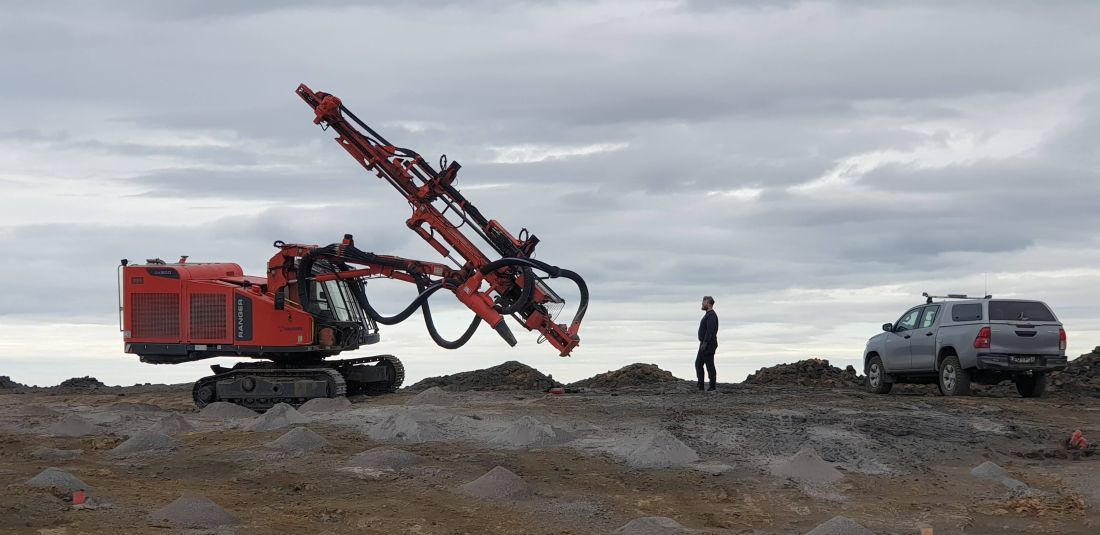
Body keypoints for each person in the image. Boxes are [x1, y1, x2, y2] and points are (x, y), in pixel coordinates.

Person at [696, 296, 718, 391]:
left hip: (709, 344)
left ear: (708, 303)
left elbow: (710, 330)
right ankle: (700, 385)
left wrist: (705, 343)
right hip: (704, 343)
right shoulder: (707, 315)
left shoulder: (711, 315)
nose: (702, 304)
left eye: (703, 302)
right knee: (698, 364)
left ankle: (712, 386)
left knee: (709, 365)